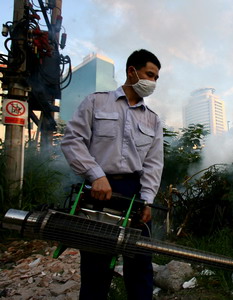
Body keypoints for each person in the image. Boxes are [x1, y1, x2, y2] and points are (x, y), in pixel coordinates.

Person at [61, 49, 164, 300]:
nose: (153, 82)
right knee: (96, 267)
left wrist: (148, 199)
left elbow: (153, 163)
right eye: (149, 75)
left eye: (156, 78)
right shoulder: (96, 102)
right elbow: (72, 141)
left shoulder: (153, 120)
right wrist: (95, 175)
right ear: (132, 71)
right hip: (98, 192)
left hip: (135, 193)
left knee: (140, 264)